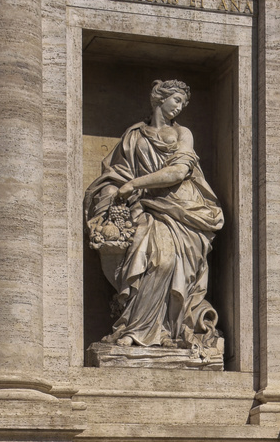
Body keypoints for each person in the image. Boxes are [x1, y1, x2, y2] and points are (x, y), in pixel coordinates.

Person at [83, 79, 225, 352]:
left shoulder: (183, 133)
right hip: (145, 208)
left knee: (165, 261)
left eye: (183, 103)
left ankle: (162, 330)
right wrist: (115, 190)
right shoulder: (134, 135)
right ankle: (137, 329)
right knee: (146, 258)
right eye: (176, 100)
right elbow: (116, 173)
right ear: (159, 99)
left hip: (183, 208)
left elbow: (178, 172)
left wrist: (135, 185)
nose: (179, 107)